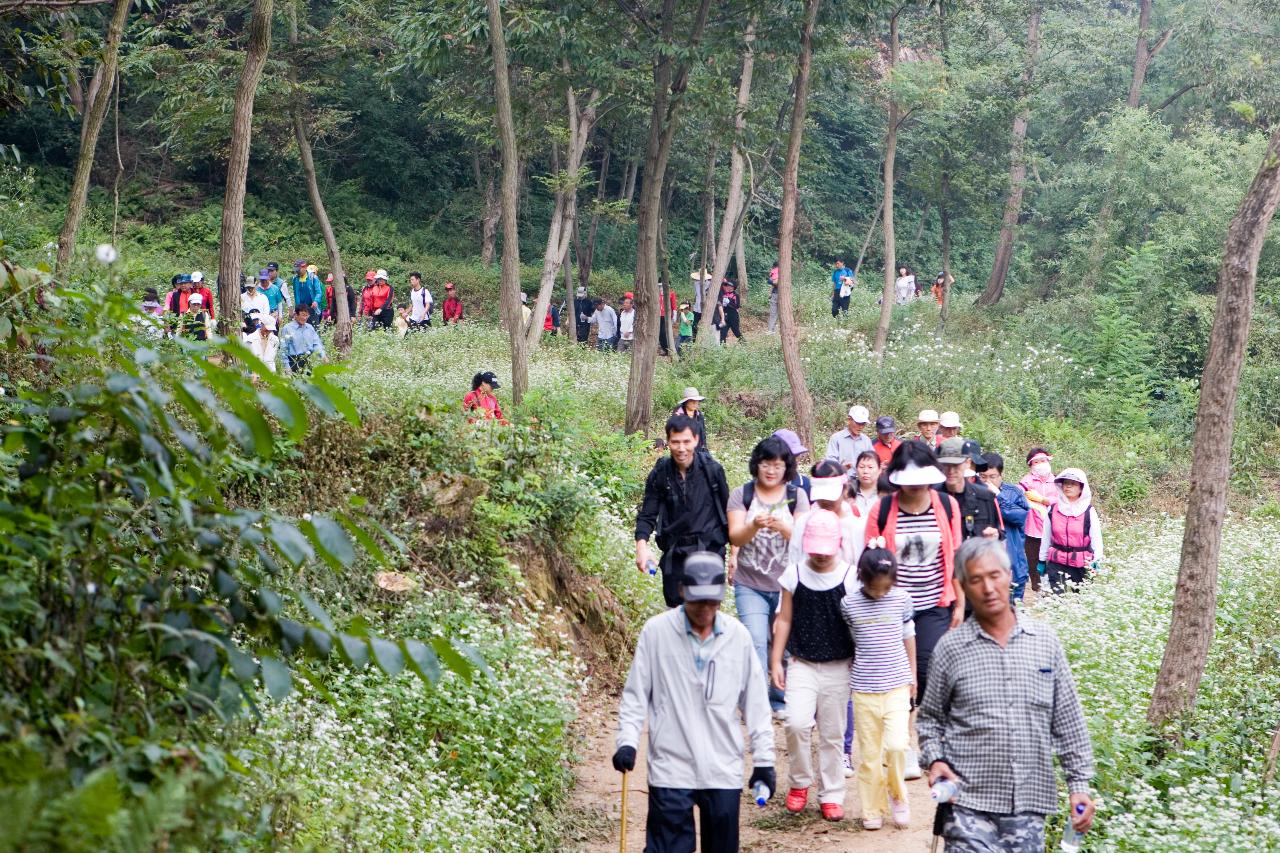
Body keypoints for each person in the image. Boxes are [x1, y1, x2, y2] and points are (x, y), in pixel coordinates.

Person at [919, 538, 1095, 852]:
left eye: (994, 575)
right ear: (963, 587)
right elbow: (930, 720)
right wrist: (935, 760)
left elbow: (1068, 721)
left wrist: (1078, 786)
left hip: (1029, 804)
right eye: (976, 580)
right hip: (966, 803)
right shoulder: (950, 649)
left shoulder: (1044, 642)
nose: (987, 588)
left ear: (1009, 574)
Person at [612, 552, 775, 853]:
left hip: (722, 767)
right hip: (670, 766)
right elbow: (636, 695)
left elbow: (756, 703)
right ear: (683, 591)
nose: (705, 609)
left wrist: (764, 761)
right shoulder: (656, 632)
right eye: (698, 601)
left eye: (712, 601)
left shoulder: (738, 638)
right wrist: (627, 742)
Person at [863, 440, 963, 779]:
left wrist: (960, 603)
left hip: (935, 602)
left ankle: (928, 743)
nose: (916, 486)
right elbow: (869, 557)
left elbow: (957, 557)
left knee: (927, 672)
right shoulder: (883, 509)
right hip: (892, 605)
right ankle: (901, 745)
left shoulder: (947, 506)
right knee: (899, 676)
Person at [770, 509, 857, 821]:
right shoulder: (794, 574)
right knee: (795, 723)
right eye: (815, 550)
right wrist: (775, 660)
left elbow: (857, 623)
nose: (821, 556)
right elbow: (784, 618)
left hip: (838, 665)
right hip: (801, 661)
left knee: (833, 734)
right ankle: (799, 782)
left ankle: (832, 792)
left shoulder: (850, 577)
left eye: (826, 549)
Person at [728, 437, 810, 717]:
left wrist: (784, 527)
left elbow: (805, 538)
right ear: (757, 465)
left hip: (787, 584)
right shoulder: (743, 494)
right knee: (754, 640)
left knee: (783, 643)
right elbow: (735, 534)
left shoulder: (797, 495)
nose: (771, 471)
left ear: (786, 467)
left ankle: (779, 698)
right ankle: (753, 701)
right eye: (766, 464)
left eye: (777, 465)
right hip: (749, 582)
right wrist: (753, 525)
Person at [842, 543, 916, 831]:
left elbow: (909, 635)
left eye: (886, 586)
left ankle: (898, 796)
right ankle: (871, 807)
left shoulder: (901, 599)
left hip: (897, 683)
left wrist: (913, 675)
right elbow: (851, 641)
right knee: (870, 754)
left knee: (898, 746)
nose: (881, 592)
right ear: (863, 577)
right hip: (864, 688)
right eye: (876, 587)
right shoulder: (849, 604)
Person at [634, 414, 730, 608]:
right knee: (676, 616)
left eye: (686, 441)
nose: (681, 448)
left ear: (696, 440)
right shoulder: (661, 473)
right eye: (675, 442)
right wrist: (641, 548)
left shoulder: (712, 470)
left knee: (705, 615)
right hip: (675, 555)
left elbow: (729, 514)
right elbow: (648, 514)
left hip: (709, 553)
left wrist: (735, 553)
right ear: (668, 442)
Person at [1039, 468, 1103, 594]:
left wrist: (1097, 560)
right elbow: (1046, 537)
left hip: (1081, 563)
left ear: (1081, 488)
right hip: (1056, 561)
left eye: (1073, 483)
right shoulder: (1053, 509)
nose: (1068, 486)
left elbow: (1096, 538)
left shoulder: (1088, 511)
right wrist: (1041, 560)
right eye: (1066, 483)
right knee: (1056, 599)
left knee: (1081, 600)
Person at [980, 453, 1031, 601]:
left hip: (1013, 564)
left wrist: (998, 496)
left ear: (1001, 475)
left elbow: (1020, 517)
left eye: (992, 476)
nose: (987, 482)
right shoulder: (973, 493)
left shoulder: (1013, 493)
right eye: (983, 477)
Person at [936, 438, 1004, 541]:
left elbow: (998, 532)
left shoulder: (985, 497)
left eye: (955, 465)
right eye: (946, 465)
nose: (951, 471)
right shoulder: (933, 498)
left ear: (968, 463)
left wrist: (995, 535)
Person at [1018, 448, 1055, 595]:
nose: (1041, 464)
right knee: (1033, 561)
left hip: (1053, 529)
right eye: (1036, 462)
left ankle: (1051, 589)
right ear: (1031, 465)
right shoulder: (1025, 482)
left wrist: (1044, 500)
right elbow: (1019, 499)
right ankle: (1038, 588)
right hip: (1032, 529)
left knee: (1050, 559)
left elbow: (1062, 499)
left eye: (1043, 460)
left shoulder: (1057, 480)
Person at [825, 405, 874, 472]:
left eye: (863, 423)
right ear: (849, 420)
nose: (861, 427)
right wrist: (841, 468)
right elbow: (830, 461)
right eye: (858, 423)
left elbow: (872, 460)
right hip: (842, 479)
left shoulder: (866, 440)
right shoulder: (836, 438)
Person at [280, 306, 325, 372]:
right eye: (303, 315)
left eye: (307, 315)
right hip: (293, 361)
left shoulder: (310, 328)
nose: (305, 318)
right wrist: (286, 366)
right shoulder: (287, 328)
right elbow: (284, 348)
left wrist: (323, 355)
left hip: (308, 360)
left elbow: (316, 343)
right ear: (296, 315)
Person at [771, 428, 811, 497]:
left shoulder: (805, 484)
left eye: (795, 456)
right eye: (787, 456)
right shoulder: (758, 486)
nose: (791, 460)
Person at [670, 387, 708, 452]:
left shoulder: (699, 415)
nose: (695, 403)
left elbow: (703, 434)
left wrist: (704, 448)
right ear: (686, 402)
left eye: (696, 401)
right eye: (692, 401)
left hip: (698, 450)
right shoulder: (678, 414)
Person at [292, 261, 325, 327]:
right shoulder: (295, 279)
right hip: (300, 308)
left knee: (314, 328)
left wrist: (316, 301)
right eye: (296, 270)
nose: (297, 272)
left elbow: (318, 292)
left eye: (299, 270)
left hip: (312, 307)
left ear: (305, 267)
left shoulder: (313, 277)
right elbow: (296, 294)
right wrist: (296, 308)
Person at [850, 450, 882, 518]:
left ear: (879, 470)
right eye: (861, 467)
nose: (865, 471)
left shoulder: (885, 493)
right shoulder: (848, 491)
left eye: (870, 467)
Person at [715, 280, 742, 345]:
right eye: (728, 286)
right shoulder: (723, 294)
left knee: (736, 332)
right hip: (725, 317)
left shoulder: (736, 295)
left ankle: (744, 343)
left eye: (731, 287)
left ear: (734, 288)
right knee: (722, 333)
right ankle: (723, 348)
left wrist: (729, 303)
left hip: (733, 316)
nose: (729, 288)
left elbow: (737, 306)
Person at [768, 260, 780, 333]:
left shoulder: (776, 271)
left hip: (776, 294)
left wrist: (770, 280)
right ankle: (772, 330)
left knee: (773, 313)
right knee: (775, 313)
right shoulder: (778, 271)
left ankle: (771, 330)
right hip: (776, 294)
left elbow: (775, 282)